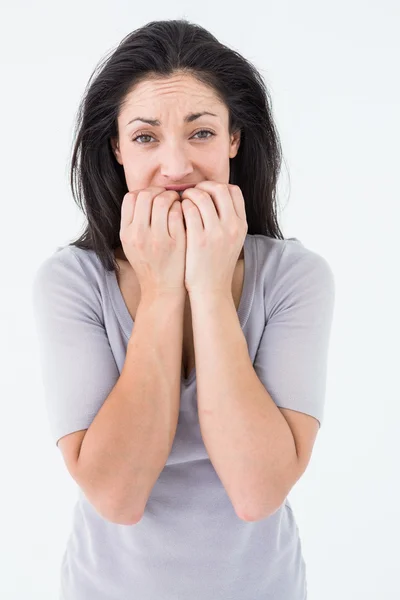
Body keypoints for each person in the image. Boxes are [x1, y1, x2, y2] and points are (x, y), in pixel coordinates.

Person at [31, 18, 335, 600]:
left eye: (200, 134)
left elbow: (257, 492)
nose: (175, 168)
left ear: (234, 141)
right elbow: (117, 498)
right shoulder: (69, 282)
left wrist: (209, 284)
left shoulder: (296, 276)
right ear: (116, 148)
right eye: (146, 137)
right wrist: (165, 290)